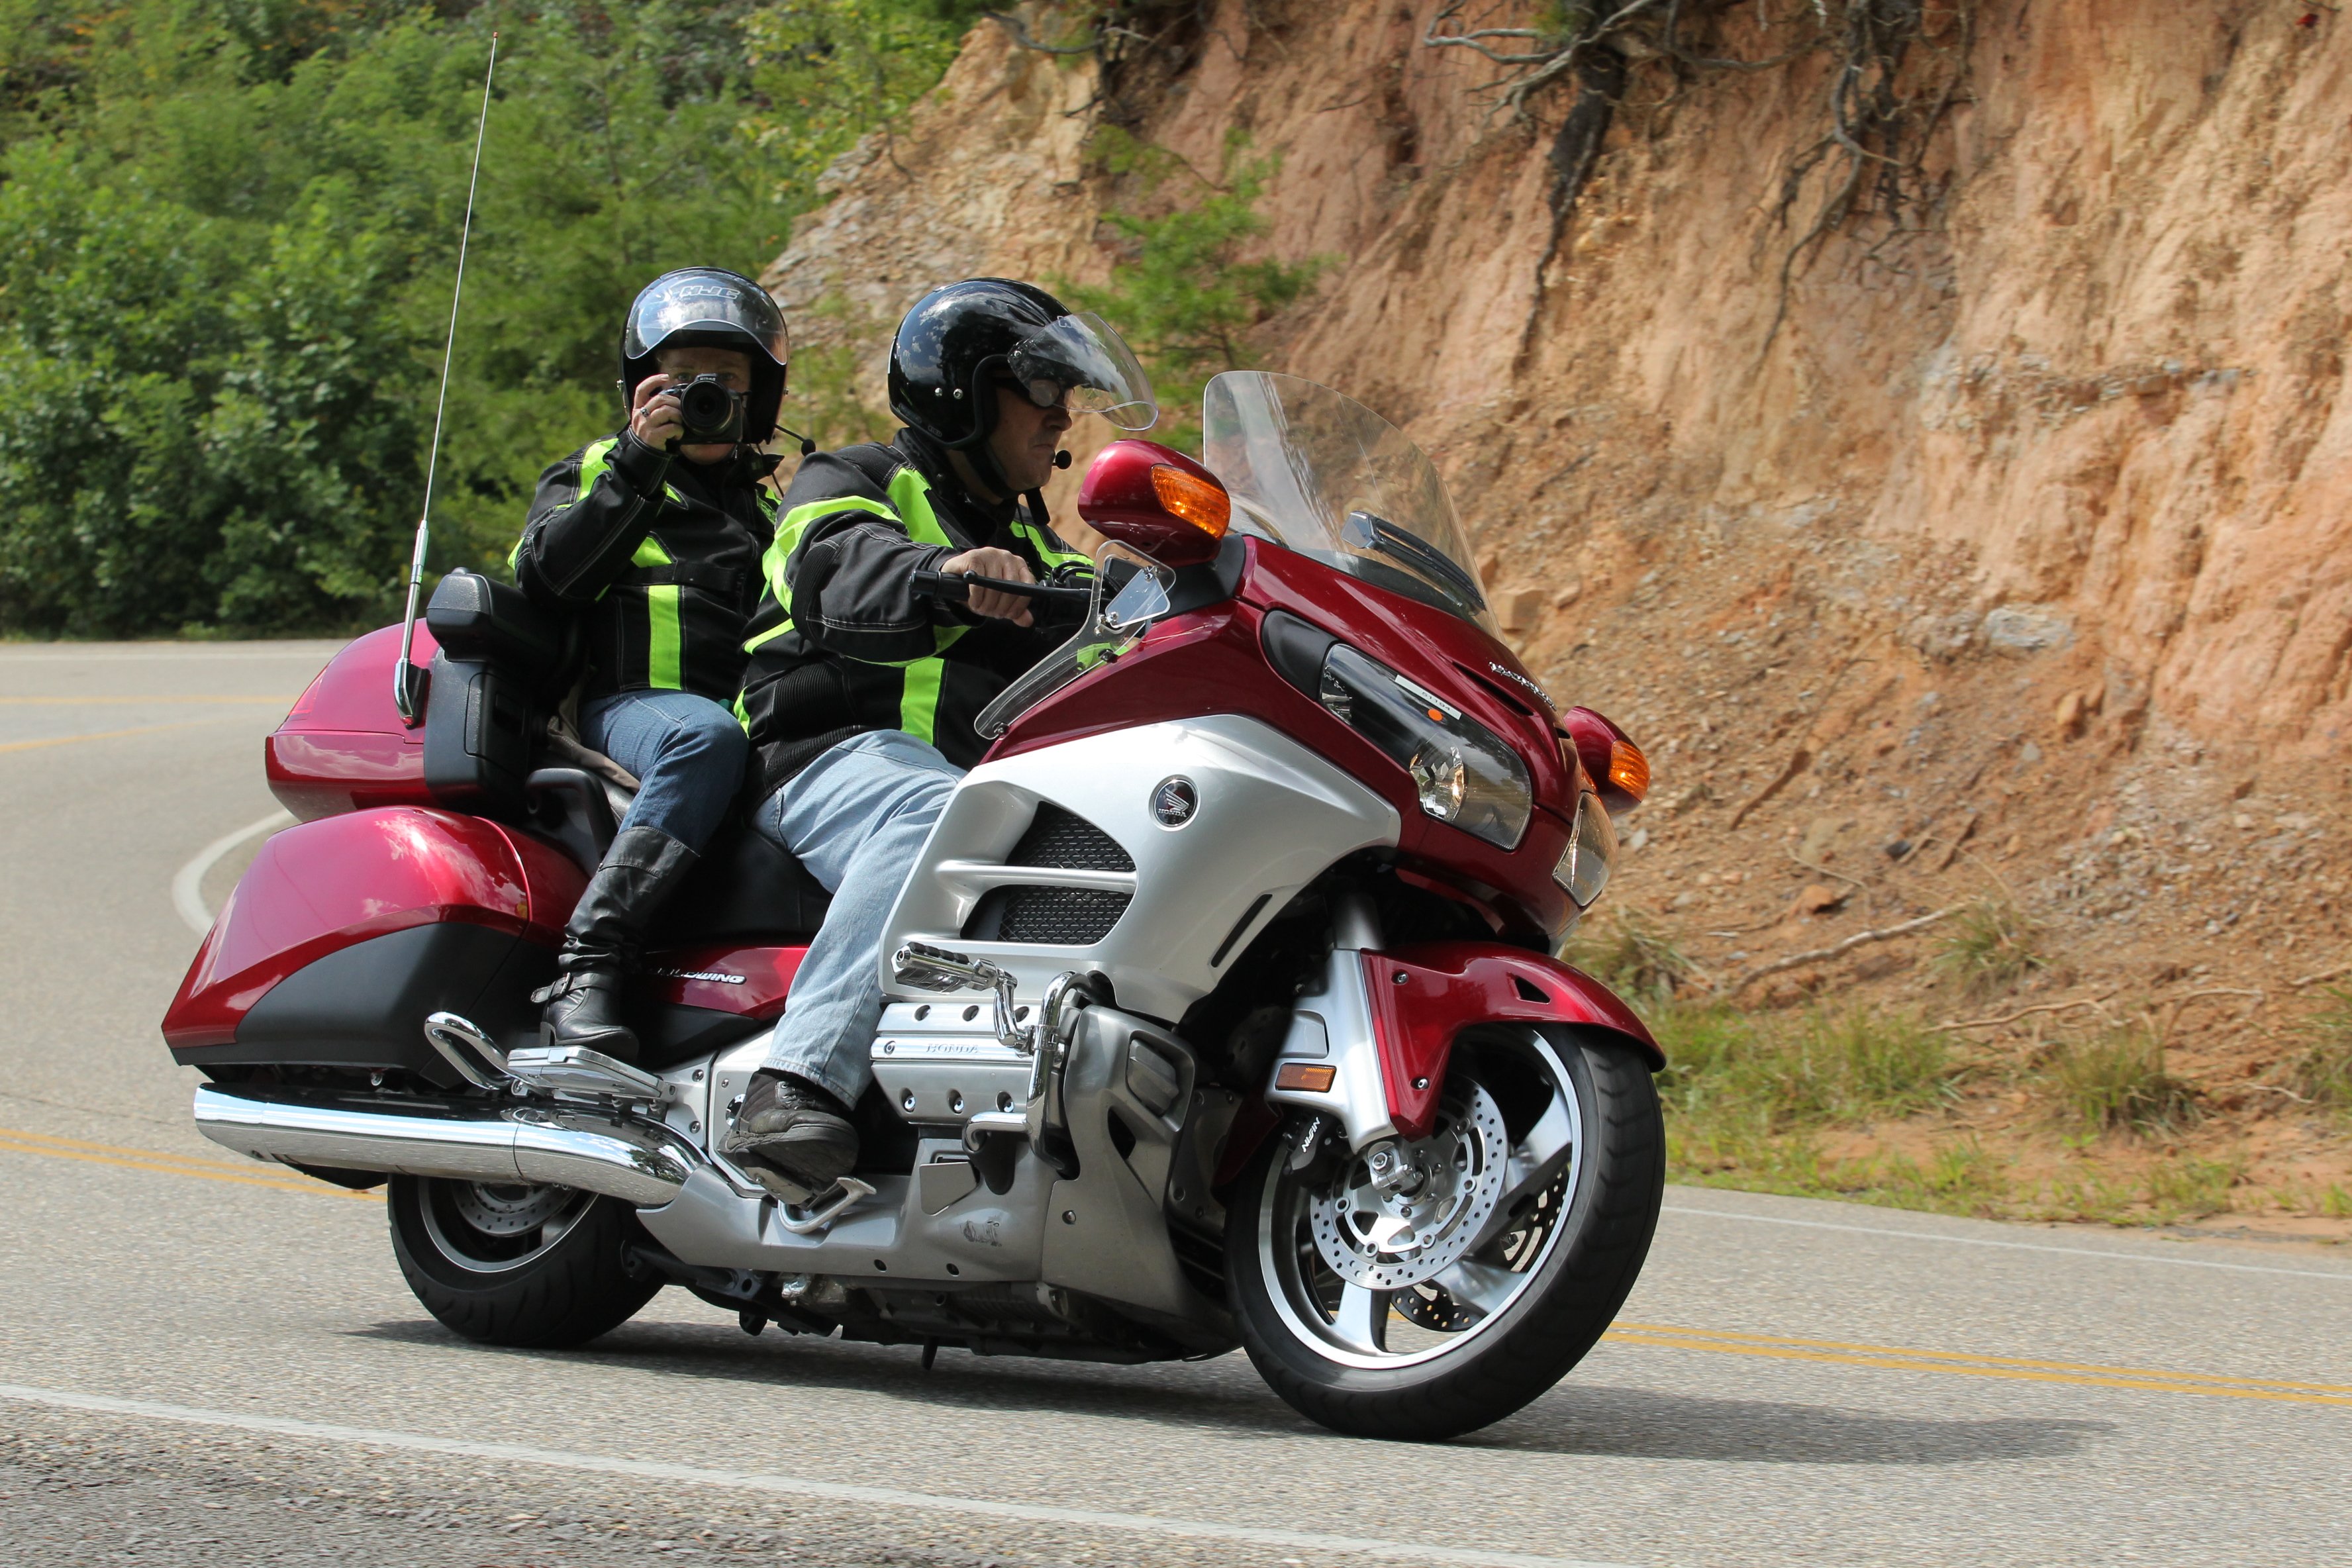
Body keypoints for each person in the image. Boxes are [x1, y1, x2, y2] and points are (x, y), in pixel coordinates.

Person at [720, 278, 1157, 1190]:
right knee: (940, 815)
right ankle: (795, 1083)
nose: (1061, 415)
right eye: (1039, 389)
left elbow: (1135, 636)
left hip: (974, 794)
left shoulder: (1044, 556)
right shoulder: (853, 481)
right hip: (827, 760)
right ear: (963, 392)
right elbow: (839, 567)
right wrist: (945, 571)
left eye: (1066, 394)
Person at [510, 268, 790, 1060]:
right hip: (635, 706)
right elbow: (547, 578)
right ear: (644, 389)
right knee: (701, 739)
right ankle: (588, 964)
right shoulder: (598, 467)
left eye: (728, 381)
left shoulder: (770, 507)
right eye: (685, 378)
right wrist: (638, 461)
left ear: (759, 398)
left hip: (743, 719)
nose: (708, 394)